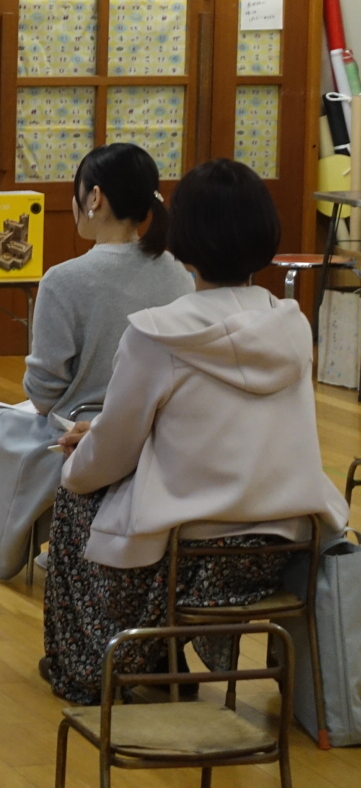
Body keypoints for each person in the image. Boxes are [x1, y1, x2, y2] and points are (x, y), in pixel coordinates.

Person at [41, 159, 349, 705]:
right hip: (278, 544)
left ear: (183, 236)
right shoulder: (292, 324)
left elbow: (112, 456)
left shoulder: (157, 334)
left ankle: (93, 666)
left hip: (190, 552)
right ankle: (158, 656)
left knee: (74, 496)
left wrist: (81, 457)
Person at [0, 143, 193, 579]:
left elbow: (44, 393)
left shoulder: (64, 280)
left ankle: (34, 543)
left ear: (94, 197)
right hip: (162, 427)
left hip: (80, 430)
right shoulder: (179, 274)